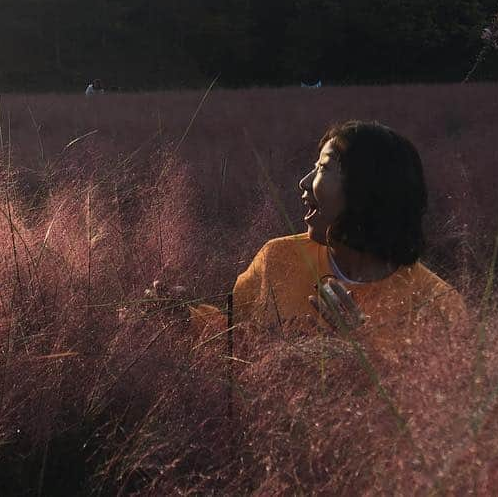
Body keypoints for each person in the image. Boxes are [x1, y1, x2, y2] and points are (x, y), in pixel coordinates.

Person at [191, 121, 466, 358]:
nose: (304, 181)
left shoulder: (437, 303)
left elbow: (436, 405)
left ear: (367, 189)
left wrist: (359, 346)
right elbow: (234, 339)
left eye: (323, 168)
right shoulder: (277, 258)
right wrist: (185, 319)